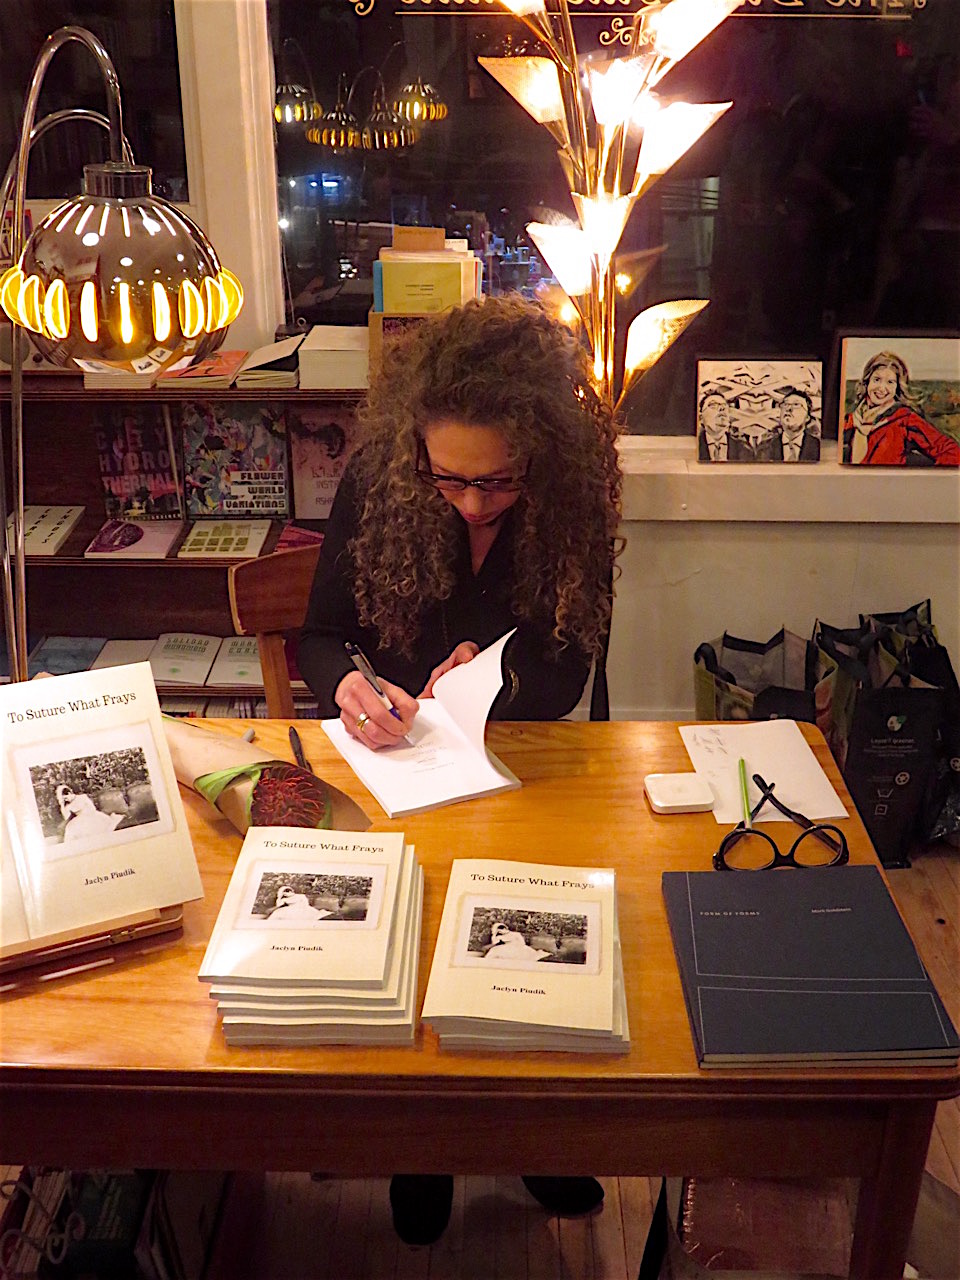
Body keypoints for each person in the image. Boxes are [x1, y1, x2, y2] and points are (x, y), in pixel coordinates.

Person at [298, 293, 620, 1244]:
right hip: (398, 764)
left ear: (540, 454)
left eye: (498, 482)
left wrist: (495, 680)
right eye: (452, 480)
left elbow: (568, 666)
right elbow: (321, 635)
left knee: (524, 956)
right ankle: (423, 1146)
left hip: (519, 764)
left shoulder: (571, 496)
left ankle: (533, 1136)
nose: (474, 503)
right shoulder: (380, 479)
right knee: (411, 951)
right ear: (418, 450)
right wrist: (351, 684)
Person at [841, 351, 960, 466]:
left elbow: (951, 451)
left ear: (897, 387)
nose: (882, 388)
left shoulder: (906, 419)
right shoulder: (850, 420)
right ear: (867, 381)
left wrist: (931, 476)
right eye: (877, 380)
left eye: (890, 382)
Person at [754, 387, 820, 462]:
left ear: (807, 417)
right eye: (785, 404)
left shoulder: (818, 447)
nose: (788, 409)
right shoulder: (764, 448)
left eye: (796, 404)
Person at [696, 391, 754, 462]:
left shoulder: (744, 449)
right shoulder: (694, 446)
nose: (721, 409)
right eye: (713, 405)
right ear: (701, 418)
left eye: (724, 406)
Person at [56, 784, 124, 843]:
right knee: (71, 829)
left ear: (69, 793)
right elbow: (66, 817)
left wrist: (86, 815)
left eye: (66, 798)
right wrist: (62, 804)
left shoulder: (82, 797)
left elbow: (92, 808)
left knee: (93, 827)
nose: (66, 800)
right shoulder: (68, 805)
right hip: (78, 822)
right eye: (64, 799)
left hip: (91, 815)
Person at [481, 921, 551, 964]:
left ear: (505, 928)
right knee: (494, 951)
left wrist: (516, 945)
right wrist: (494, 934)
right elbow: (494, 943)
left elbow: (522, 943)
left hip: (518, 947)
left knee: (523, 955)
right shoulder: (500, 937)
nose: (501, 932)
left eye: (502, 930)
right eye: (499, 931)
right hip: (506, 948)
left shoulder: (516, 934)